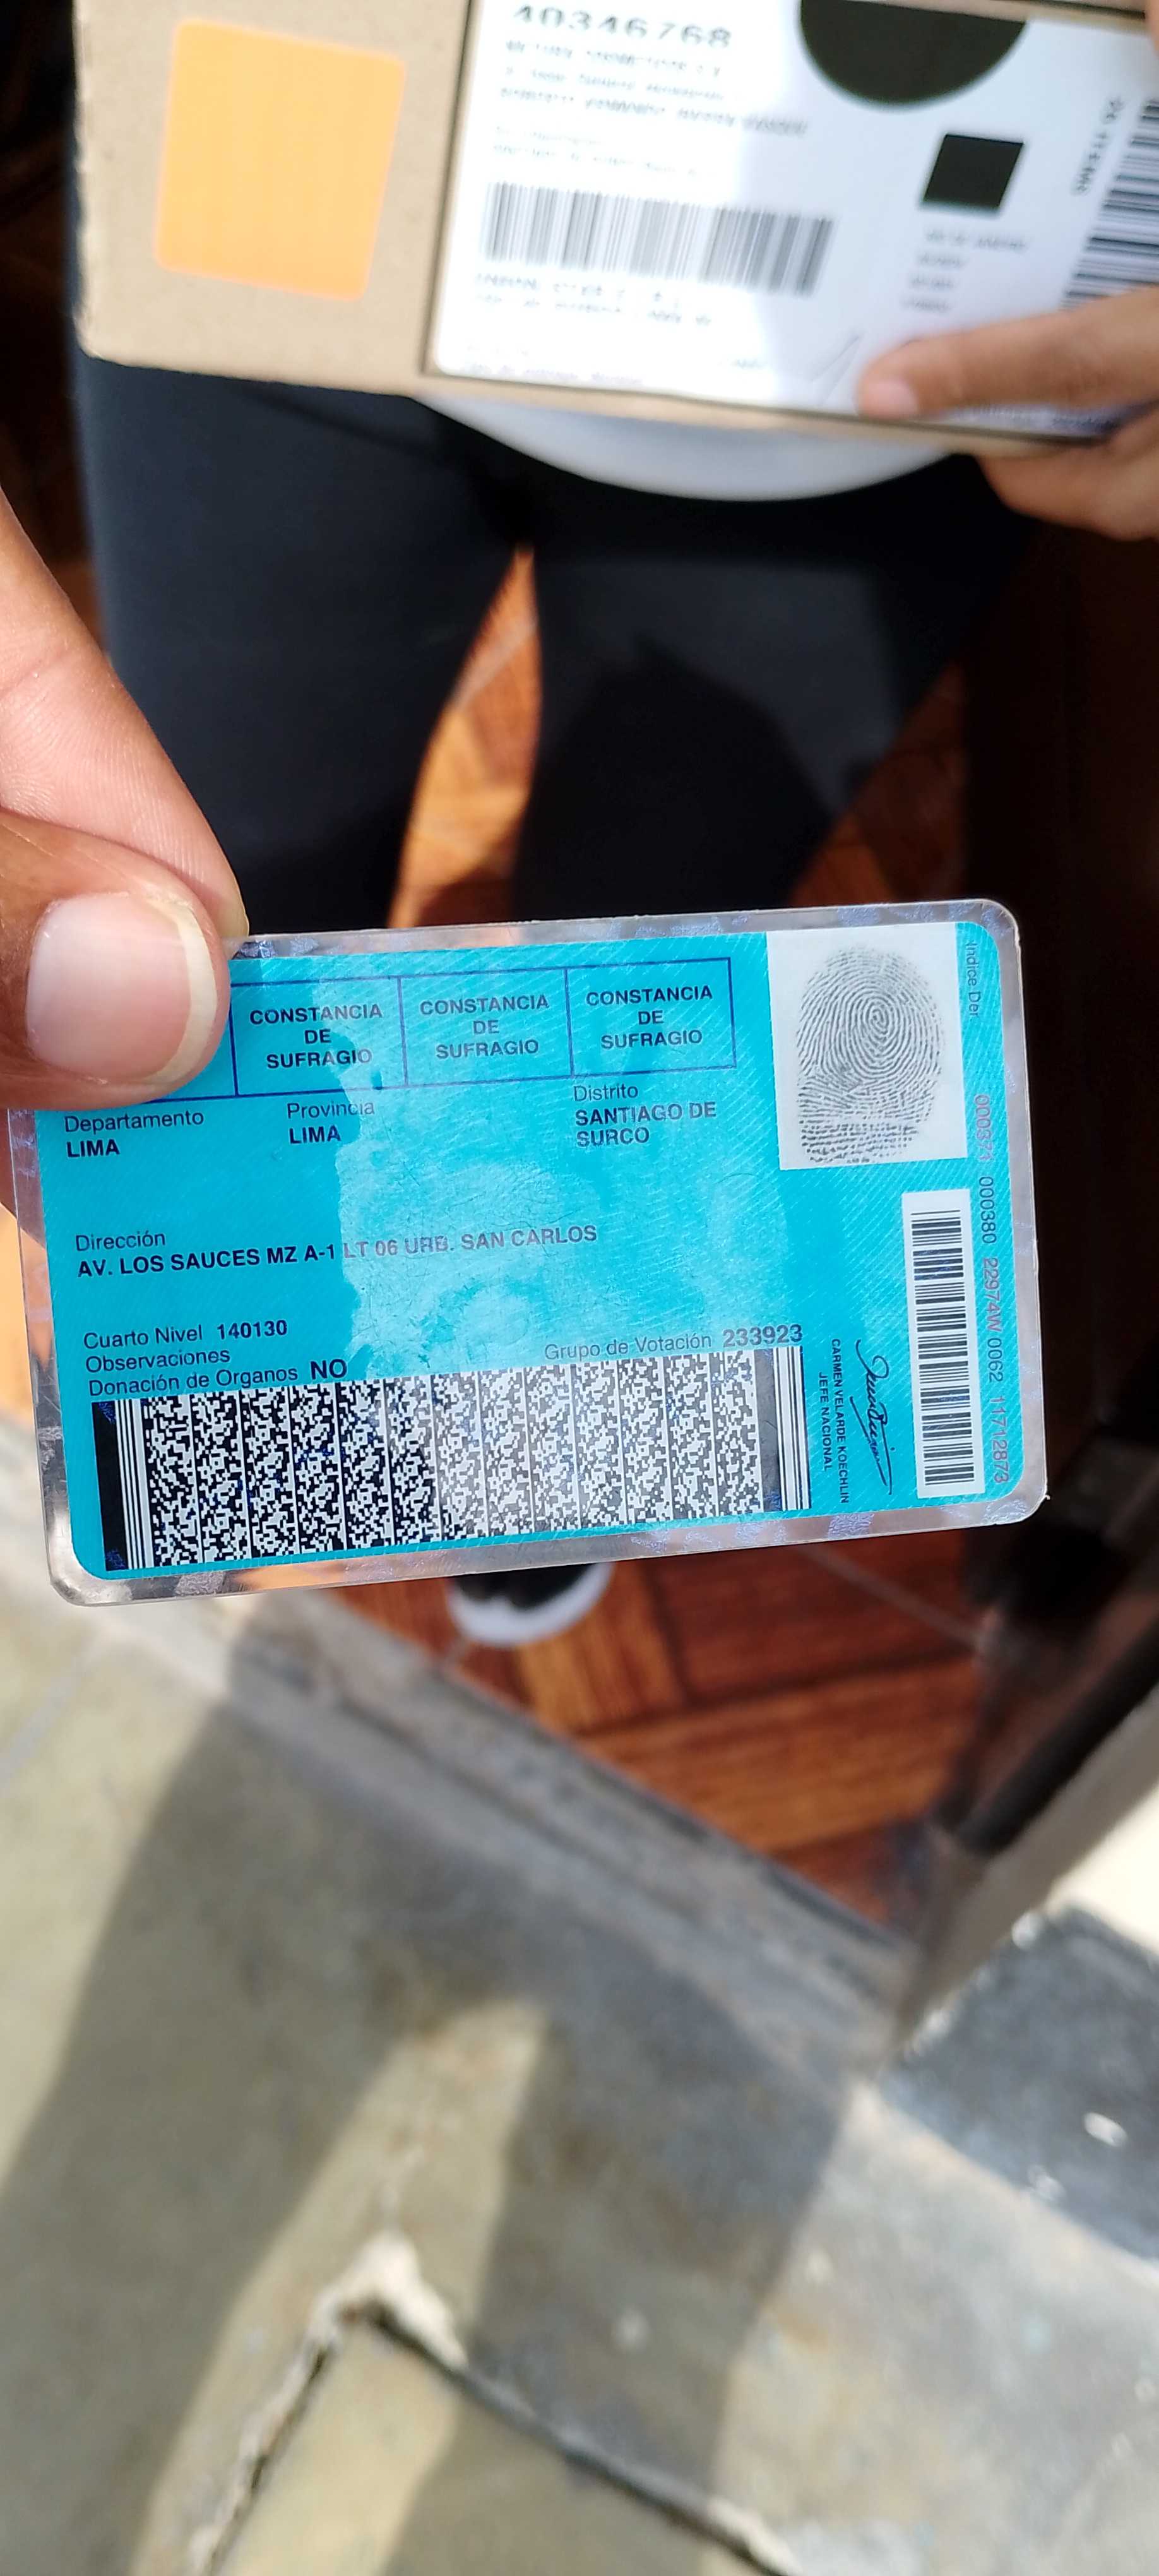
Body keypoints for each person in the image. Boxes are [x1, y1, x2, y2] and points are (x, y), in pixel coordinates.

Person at [5, 230, 1159, 1630]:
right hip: (278, 250)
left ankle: (544, 1422)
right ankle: (309, 1394)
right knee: (214, 949)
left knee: (642, 1030)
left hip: (878, 393)